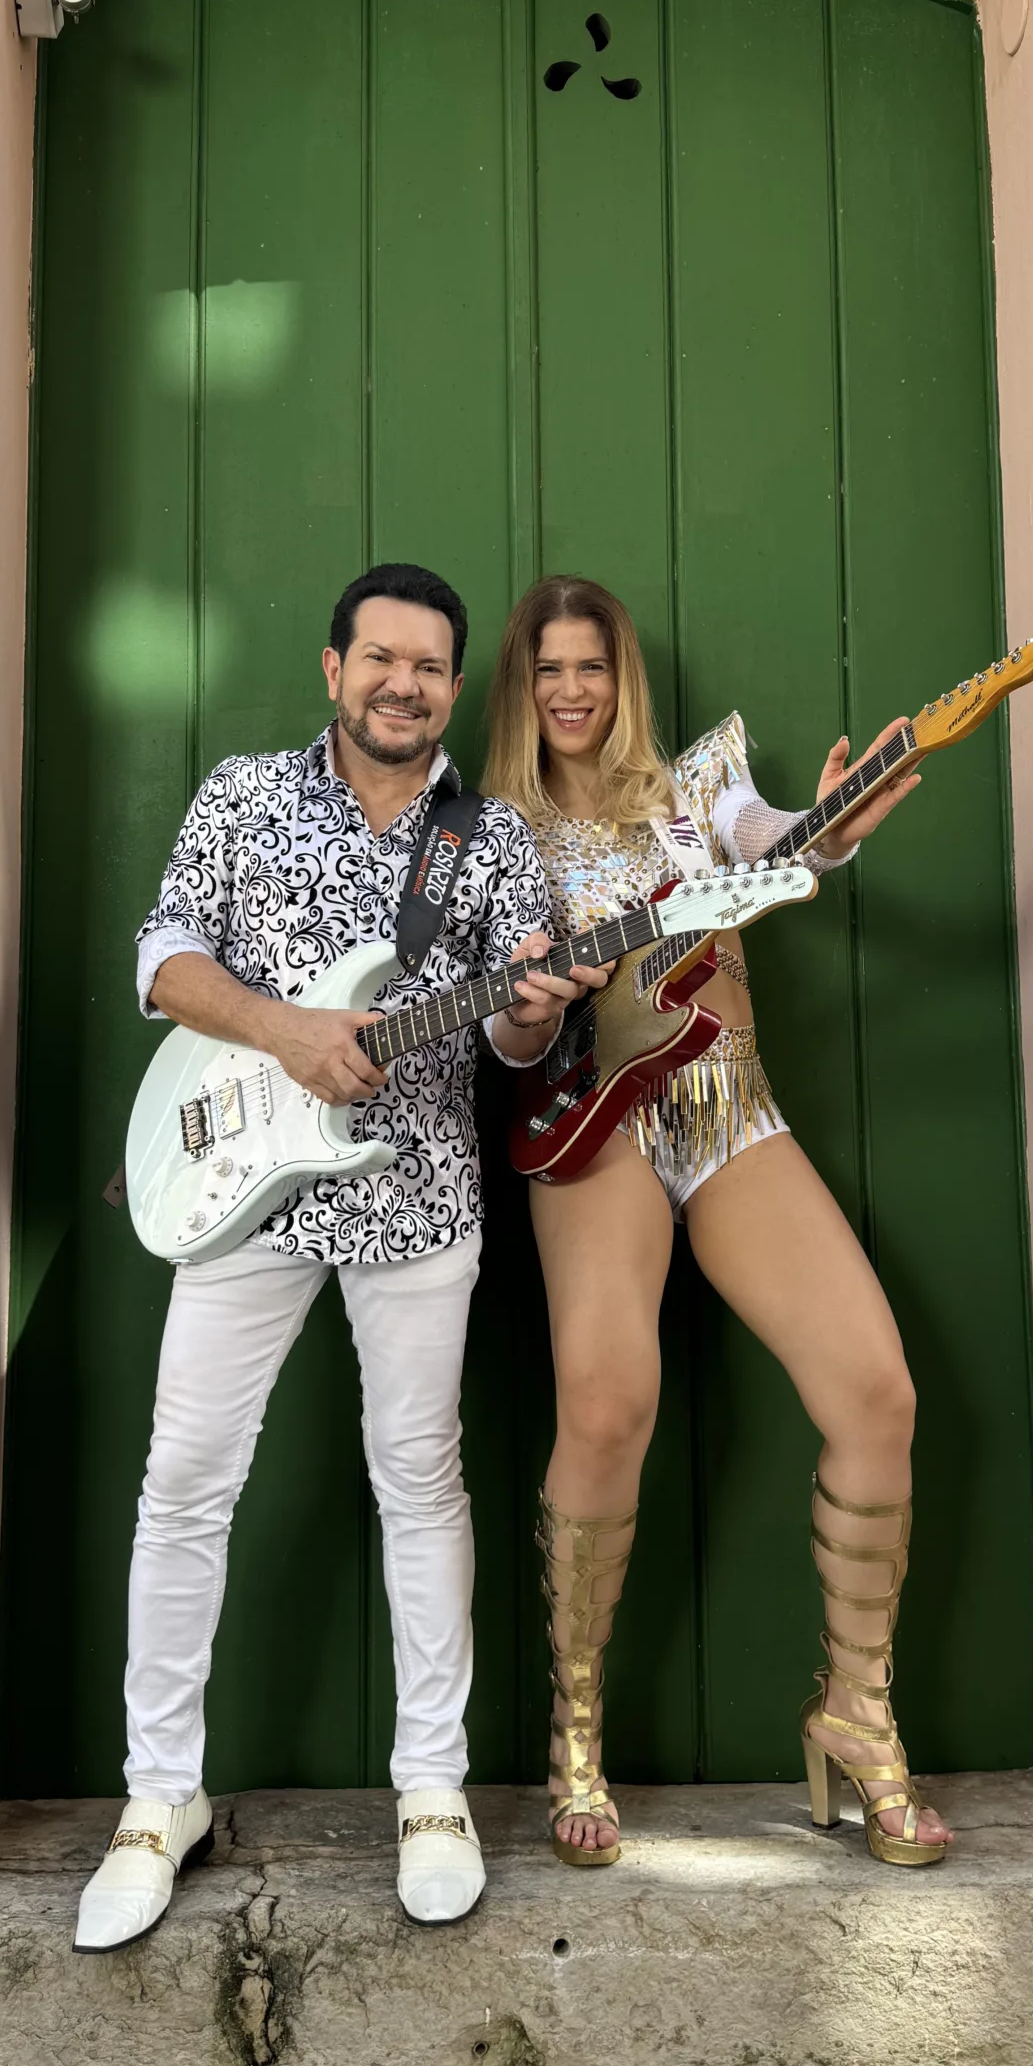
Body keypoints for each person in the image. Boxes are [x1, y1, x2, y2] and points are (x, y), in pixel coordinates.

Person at [73, 562, 606, 1952]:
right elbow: (162, 959)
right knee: (185, 1481)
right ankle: (157, 1798)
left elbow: (514, 1046)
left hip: (418, 1200)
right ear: (334, 667)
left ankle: (432, 1789)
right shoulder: (245, 796)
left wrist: (538, 1017)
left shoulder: (488, 845)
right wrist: (284, 1031)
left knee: (420, 1481)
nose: (404, 685)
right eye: (382, 658)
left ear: (451, 685)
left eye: (431, 667)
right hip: (242, 1192)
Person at [481, 574, 954, 1871]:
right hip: (598, 1126)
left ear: (621, 676)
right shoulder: (493, 839)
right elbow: (501, 1027)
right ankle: (579, 1727)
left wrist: (834, 823)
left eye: (590, 666)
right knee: (608, 1399)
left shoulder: (693, 788)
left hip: (728, 1106)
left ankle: (855, 1708)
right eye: (546, 672)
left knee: (877, 1390)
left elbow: (777, 833)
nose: (571, 691)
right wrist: (532, 1001)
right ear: (521, 692)